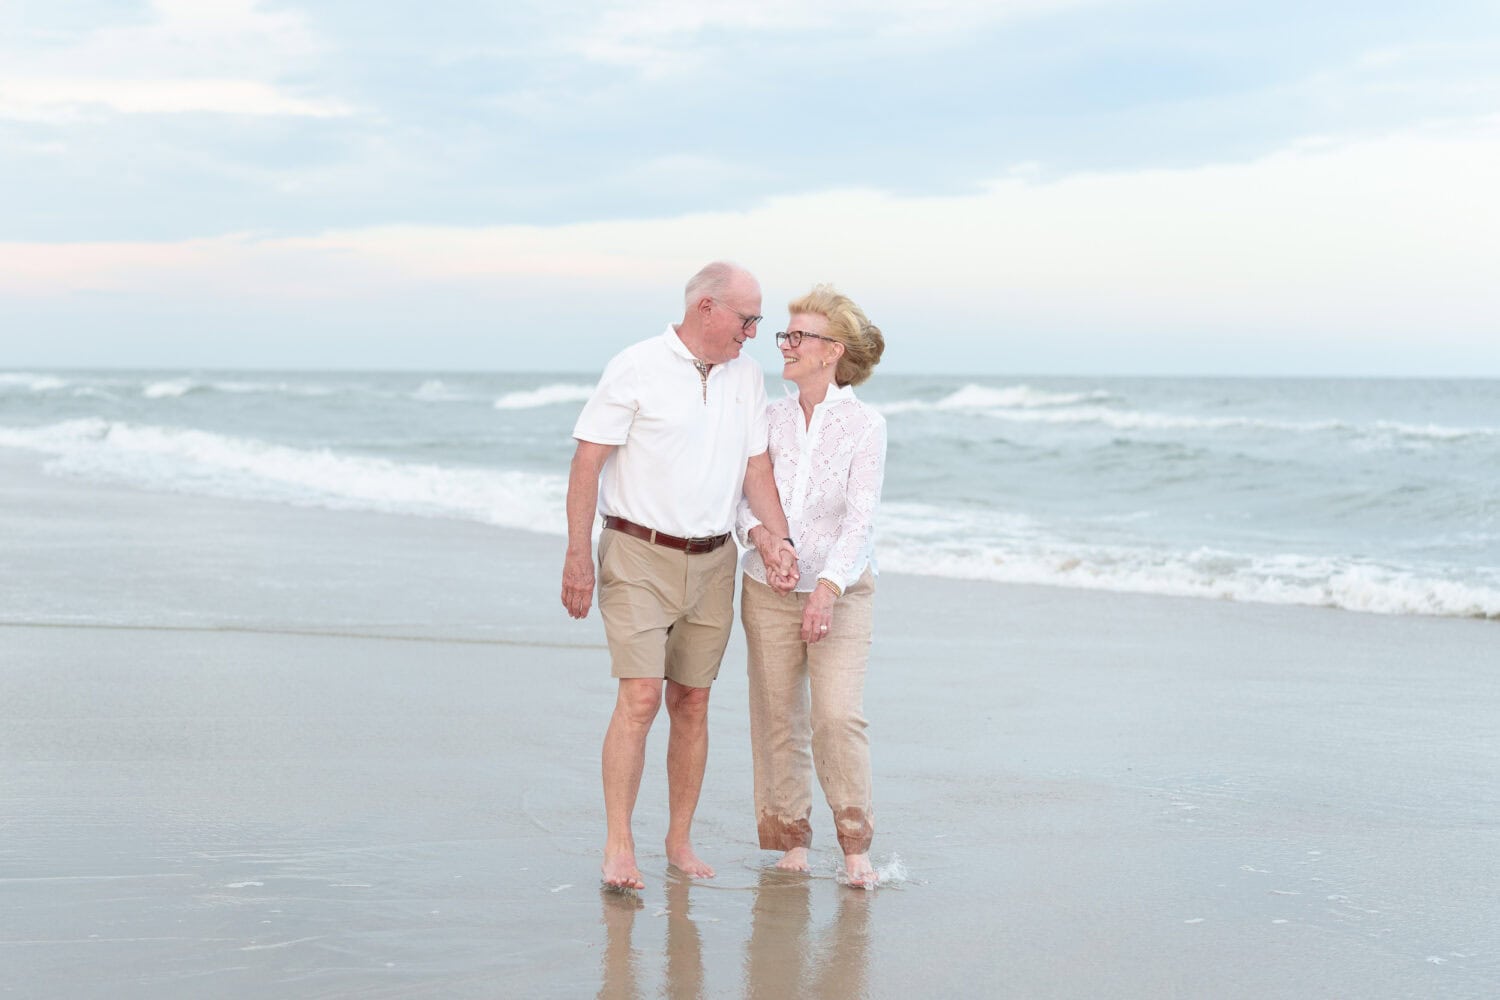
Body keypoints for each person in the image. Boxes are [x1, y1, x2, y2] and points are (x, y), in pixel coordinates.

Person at [562, 261, 799, 892]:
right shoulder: (636, 364)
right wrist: (577, 553)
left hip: (715, 559)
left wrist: (779, 540)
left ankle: (678, 840)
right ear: (707, 309)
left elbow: (756, 470)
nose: (753, 333)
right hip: (637, 552)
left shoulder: (746, 377)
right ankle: (618, 846)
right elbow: (588, 461)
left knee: (691, 702)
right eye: (747, 319)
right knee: (640, 697)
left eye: (758, 321)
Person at [735, 284, 887, 887]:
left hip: (842, 592)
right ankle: (790, 840)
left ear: (833, 352)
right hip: (765, 587)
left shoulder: (866, 427)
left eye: (800, 337)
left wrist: (826, 588)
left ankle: (855, 845)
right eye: (786, 334)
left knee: (836, 716)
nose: (787, 345)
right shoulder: (766, 418)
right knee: (776, 718)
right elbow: (742, 497)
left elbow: (861, 519)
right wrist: (764, 541)